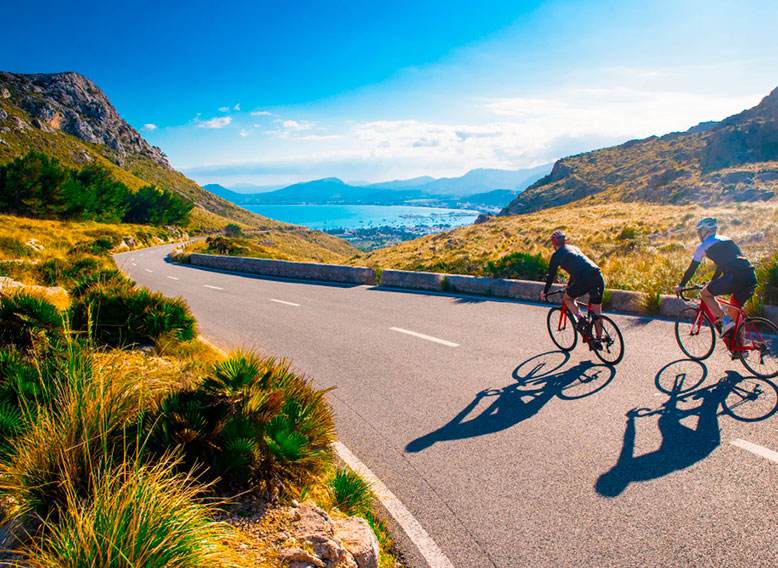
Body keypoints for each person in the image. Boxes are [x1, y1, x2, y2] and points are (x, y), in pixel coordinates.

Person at [673, 217, 757, 338]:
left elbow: (692, 269)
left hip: (734, 277)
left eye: (699, 232)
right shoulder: (728, 240)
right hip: (750, 275)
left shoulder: (703, 246)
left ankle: (726, 322)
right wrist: (713, 281)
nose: (698, 235)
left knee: (705, 294)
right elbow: (727, 264)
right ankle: (740, 349)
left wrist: (681, 286)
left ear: (703, 232)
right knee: (734, 310)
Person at [540, 230, 605, 341]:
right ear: (565, 241)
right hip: (597, 275)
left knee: (568, 298)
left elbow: (551, 275)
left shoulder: (556, 255)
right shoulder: (574, 249)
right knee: (596, 310)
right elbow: (578, 268)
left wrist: (545, 291)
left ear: (554, 244)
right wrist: (570, 285)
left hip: (584, 279)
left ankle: (580, 318)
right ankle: (599, 339)